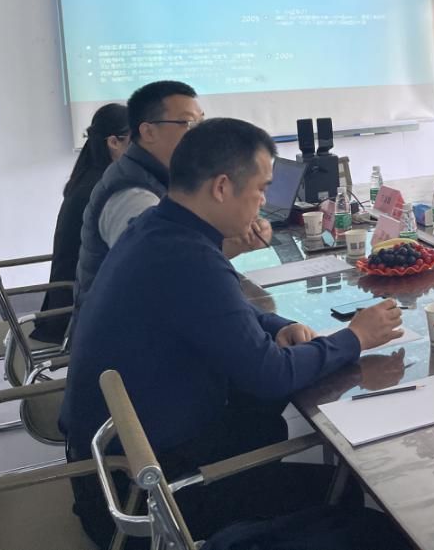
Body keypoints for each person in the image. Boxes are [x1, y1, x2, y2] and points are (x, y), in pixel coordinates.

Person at [61, 118, 406, 547]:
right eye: (260, 190)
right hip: (152, 502)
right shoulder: (188, 256)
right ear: (222, 187)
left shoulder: (158, 229)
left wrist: (281, 326)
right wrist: (355, 338)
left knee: (264, 418)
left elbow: (224, 311)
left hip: (120, 471)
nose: (262, 204)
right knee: (356, 502)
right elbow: (271, 374)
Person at [73, 79, 270, 311]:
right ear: (148, 132)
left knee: (260, 306)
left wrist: (237, 241)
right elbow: (164, 272)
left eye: (201, 121)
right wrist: (233, 243)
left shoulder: (161, 174)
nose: (200, 133)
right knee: (258, 307)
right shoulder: (132, 195)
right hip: (126, 325)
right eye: (188, 123)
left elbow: (180, 254)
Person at [30, 103, 129, 344]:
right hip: (76, 314)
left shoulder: (91, 178)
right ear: (113, 142)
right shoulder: (102, 189)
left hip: (70, 301)